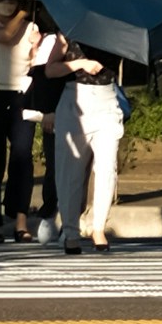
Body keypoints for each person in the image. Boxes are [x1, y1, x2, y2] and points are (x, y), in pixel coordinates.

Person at [0, 0, 61, 246]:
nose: (8, 4)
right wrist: (23, 12)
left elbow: (36, 63)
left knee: (22, 159)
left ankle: (20, 221)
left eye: (13, 0)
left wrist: (36, 46)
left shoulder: (32, 27)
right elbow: (6, 37)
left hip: (22, 96)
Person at [49, 40, 127, 253]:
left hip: (107, 98)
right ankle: (71, 231)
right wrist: (80, 64)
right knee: (70, 171)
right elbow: (50, 69)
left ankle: (99, 228)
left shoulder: (119, 32)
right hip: (75, 99)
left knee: (107, 168)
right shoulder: (68, 33)